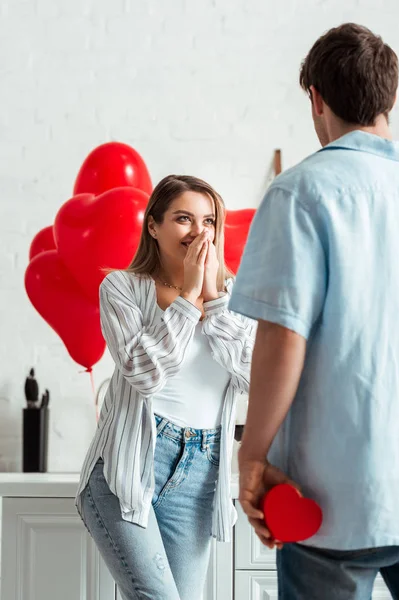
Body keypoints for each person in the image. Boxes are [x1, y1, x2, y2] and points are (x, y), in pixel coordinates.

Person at [229, 22, 399, 600]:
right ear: (389, 98)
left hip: (328, 502)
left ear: (317, 100)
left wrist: (251, 456)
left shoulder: (300, 192)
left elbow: (283, 339)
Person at [75, 174, 255, 600]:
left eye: (208, 220)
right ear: (153, 226)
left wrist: (213, 298)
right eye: (183, 218)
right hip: (128, 470)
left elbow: (254, 377)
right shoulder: (122, 288)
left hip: (201, 470)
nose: (199, 232)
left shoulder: (235, 298)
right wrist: (189, 295)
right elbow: (144, 372)